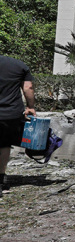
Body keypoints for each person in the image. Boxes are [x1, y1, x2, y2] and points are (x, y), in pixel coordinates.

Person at [0, 55, 36, 198]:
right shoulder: (19, 65)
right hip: (10, 114)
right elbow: (28, 87)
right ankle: (0, 180)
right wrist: (31, 107)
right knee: (4, 145)